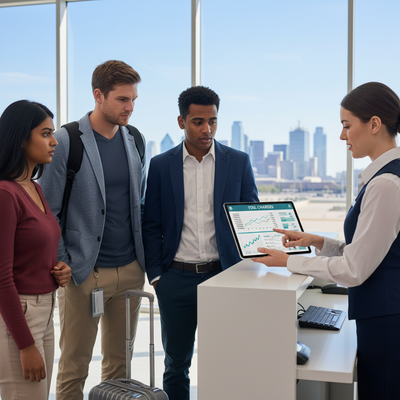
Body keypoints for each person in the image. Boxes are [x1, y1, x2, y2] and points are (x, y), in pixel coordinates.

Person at [252, 82, 400, 400]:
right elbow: (371, 250)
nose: (342, 136)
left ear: (374, 124)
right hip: (384, 315)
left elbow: (355, 269)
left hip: (387, 322)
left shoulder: (386, 183)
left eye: (347, 125)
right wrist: (319, 241)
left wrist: (288, 261)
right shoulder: (384, 177)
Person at [142, 85, 259, 400]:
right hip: (175, 280)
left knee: (226, 362)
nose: (207, 129)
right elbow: (150, 224)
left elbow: (250, 221)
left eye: (213, 121)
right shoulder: (160, 165)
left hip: (224, 277)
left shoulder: (238, 161)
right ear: (181, 122)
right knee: (176, 365)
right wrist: (156, 275)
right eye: (198, 121)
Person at [39, 60, 146, 400]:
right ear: (98, 95)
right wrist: (64, 261)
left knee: (120, 369)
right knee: (74, 368)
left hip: (130, 270)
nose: (129, 107)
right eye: (121, 100)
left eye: (133, 100)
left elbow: (137, 205)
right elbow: (47, 211)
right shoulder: (66, 141)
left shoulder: (135, 139)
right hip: (84, 274)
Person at [0, 100, 71, 400]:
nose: (54, 141)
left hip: (46, 308)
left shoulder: (34, 187)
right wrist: (26, 345)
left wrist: (59, 270)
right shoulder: (5, 194)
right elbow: (2, 278)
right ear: (20, 139)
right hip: (20, 316)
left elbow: (34, 250)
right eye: (45, 133)